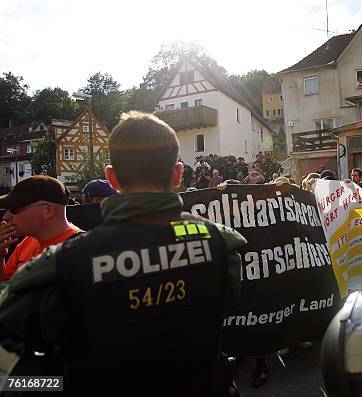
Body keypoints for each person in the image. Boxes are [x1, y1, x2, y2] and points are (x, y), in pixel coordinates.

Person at [0, 111, 247, 396]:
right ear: (178, 173)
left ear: (111, 177)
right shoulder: (220, 242)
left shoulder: (66, 262)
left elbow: (9, 364)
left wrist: (56, 385)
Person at [0, 176, 83, 280]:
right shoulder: (27, 243)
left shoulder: (80, 250)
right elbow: (6, 291)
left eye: (15, 209)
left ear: (48, 210)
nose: (6, 216)